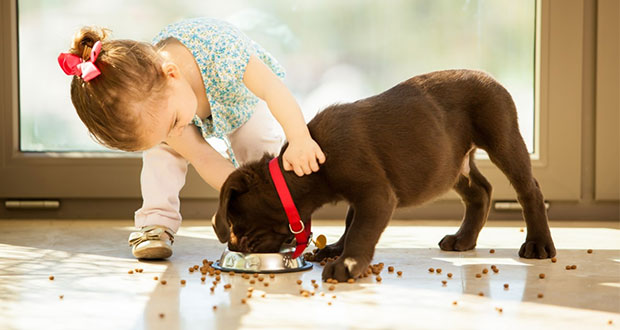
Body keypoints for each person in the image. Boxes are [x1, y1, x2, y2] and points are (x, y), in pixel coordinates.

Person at [58, 17, 325, 259]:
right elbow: (202, 156)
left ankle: (273, 216)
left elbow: (272, 89)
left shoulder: (223, 53)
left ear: (172, 74)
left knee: (257, 141)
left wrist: (299, 137)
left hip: (240, 99)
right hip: (178, 104)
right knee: (162, 155)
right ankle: (156, 222)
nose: (175, 134)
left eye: (173, 123)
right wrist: (236, 198)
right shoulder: (161, 108)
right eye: (164, 132)